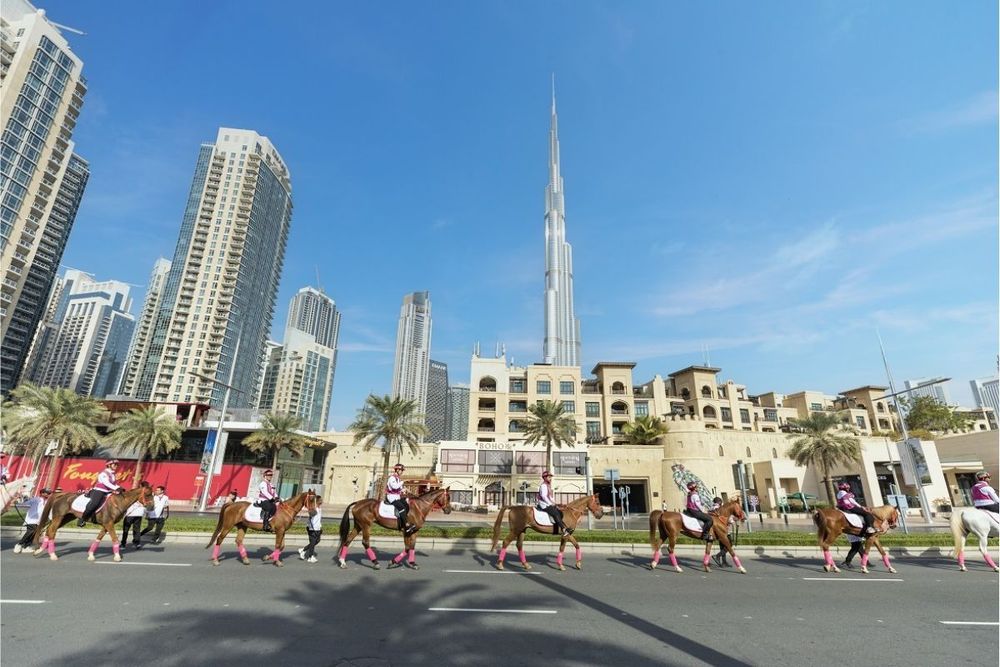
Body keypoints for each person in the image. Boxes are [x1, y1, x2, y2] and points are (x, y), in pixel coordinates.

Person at [78, 459, 121, 527]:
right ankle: (82, 518)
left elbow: (114, 484)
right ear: (109, 465)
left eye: (117, 464)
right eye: (115, 464)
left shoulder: (113, 474)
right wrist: (116, 488)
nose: (116, 466)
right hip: (99, 491)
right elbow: (106, 483)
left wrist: (120, 487)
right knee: (94, 504)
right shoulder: (103, 473)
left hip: (108, 492)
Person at [13, 487, 50, 553]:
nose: (48, 494)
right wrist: (17, 503)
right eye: (47, 493)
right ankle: (19, 544)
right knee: (31, 531)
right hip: (31, 519)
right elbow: (25, 503)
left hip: (39, 521)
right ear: (42, 493)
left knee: (34, 533)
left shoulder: (47, 502)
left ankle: (26, 546)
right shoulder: (35, 499)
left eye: (49, 493)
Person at [536, 470, 571, 537]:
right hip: (543, 504)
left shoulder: (548, 486)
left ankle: (560, 528)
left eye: (550, 477)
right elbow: (544, 496)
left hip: (547, 503)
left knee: (559, 512)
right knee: (555, 513)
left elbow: (550, 497)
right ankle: (564, 530)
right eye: (549, 477)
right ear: (545, 478)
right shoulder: (543, 486)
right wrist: (550, 503)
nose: (550, 478)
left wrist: (555, 503)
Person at [386, 463, 415, 535]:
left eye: (402, 470)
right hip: (392, 498)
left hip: (397, 497)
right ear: (397, 470)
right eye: (401, 470)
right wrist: (403, 482)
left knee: (406, 505)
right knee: (402, 508)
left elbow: (400, 489)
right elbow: (395, 487)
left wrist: (406, 490)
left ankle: (403, 522)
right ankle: (406, 525)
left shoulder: (398, 479)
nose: (402, 472)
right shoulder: (392, 478)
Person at [299, 496, 323, 563]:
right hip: (312, 528)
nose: (322, 501)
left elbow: (319, 519)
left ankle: (303, 550)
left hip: (318, 528)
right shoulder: (314, 509)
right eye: (320, 500)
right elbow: (311, 515)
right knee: (312, 543)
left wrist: (320, 527)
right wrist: (312, 509)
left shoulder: (319, 508)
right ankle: (310, 557)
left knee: (317, 541)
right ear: (317, 501)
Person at [710, 497, 730, 567]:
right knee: (729, 544)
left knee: (723, 546)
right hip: (721, 529)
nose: (721, 503)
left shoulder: (712, 507)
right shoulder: (717, 507)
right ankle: (717, 556)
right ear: (718, 502)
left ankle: (724, 561)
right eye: (720, 501)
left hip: (719, 529)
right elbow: (721, 517)